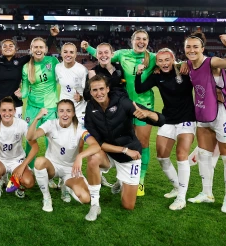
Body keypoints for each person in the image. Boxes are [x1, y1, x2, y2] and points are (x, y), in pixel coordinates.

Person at [83, 30, 157, 196]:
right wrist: (88, 48)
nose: (141, 41)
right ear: (132, 40)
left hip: (143, 104)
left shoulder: (152, 57)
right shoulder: (122, 55)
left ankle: (140, 181)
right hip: (122, 108)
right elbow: (103, 54)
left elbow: (169, 61)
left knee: (143, 143)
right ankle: (121, 178)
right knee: (123, 141)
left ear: (148, 41)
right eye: (138, 38)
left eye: (144, 39)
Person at [84, 75, 166, 221]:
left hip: (131, 155)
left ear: (108, 89)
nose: (99, 93)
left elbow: (161, 120)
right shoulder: (90, 109)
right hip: (112, 152)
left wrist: (148, 113)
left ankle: (121, 181)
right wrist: (123, 150)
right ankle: (95, 204)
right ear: (90, 92)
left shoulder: (123, 103)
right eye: (95, 90)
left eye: (102, 89)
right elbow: (99, 143)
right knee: (92, 158)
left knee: (128, 205)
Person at [185, 32, 226, 213]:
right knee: (204, 155)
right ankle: (207, 193)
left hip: (223, 113)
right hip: (203, 113)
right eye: (188, 47)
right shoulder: (187, 65)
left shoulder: (212, 62)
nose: (192, 50)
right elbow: (167, 63)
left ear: (202, 49)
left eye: (195, 47)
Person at [135, 48, 195, 210]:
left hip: (187, 119)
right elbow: (140, 89)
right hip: (168, 119)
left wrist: (187, 63)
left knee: (181, 155)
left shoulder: (184, 71)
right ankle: (177, 187)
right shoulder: (157, 76)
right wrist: (139, 73)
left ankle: (181, 198)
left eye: (167, 60)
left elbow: (203, 74)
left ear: (173, 59)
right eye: (160, 61)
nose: (163, 63)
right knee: (162, 157)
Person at [27, 99, 101, 214]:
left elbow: (96, 146)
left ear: (73, 113)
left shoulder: (80, 129)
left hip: (70, 170)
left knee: (85, 198)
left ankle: (65, 187)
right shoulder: (50, 124)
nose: (65, 114)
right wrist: (37, 118)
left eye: (68, 111)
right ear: (57, 113)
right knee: (39, 162)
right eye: (61, 111)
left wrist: (80, 156)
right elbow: (31, 137)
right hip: (53, 166)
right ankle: (46, 198)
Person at [0, 97, 39, 199]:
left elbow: (35, 147)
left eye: (10, 110)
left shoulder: (22, 124)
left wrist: (22, 166)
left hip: (17, 160)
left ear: (14, 111)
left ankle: (19, 187)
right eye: (3, 110)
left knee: (29, 182)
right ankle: (0, 182)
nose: (7, 113)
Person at [18, 36, 59, 168]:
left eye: (41, 47)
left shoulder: (53, 61)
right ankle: (29, 168)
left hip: (50, 107)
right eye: (35, 47)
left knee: (52, 140)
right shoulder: (26, 67)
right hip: (32, 107)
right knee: (30, 139)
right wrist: (20, 94)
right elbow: (25, 90)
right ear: (31, 49)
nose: (38, 49)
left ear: (46, 49)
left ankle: (51, 171)